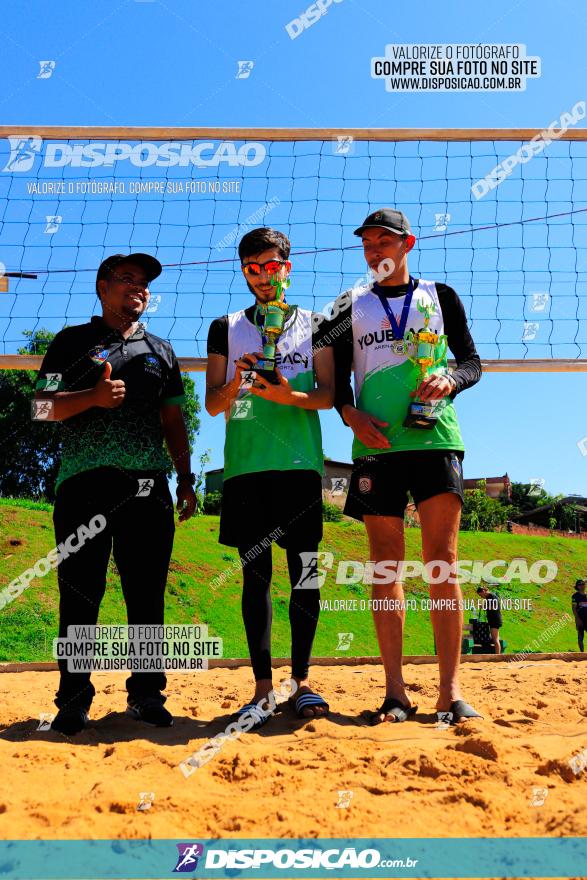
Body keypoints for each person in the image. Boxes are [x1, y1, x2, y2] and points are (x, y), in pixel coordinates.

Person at [328, 207, 482, 725]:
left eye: (384, 242)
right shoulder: (349, 305)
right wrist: (348, 413)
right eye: (367, 244)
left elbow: (472, 363)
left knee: (442, 561)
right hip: (377, 446)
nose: (375, 252)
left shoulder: (440, 295)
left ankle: (450, 690)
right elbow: (333, 380)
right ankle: (395, 691)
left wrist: (451, 381)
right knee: (385, 566)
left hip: (436, 437)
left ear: (407, 243)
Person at [34, 253, 196, 735]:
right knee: (80, 593)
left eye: (143, 283)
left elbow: (174, 421)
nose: (138, 288)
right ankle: (73, 699)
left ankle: (146, 694)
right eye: (126, 279)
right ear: (102, 287)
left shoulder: (161, 351)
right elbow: (41, 408)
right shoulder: (70, 343)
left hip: (148, 487)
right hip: (84, 484)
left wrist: (185, 479)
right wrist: (92, 399)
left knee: (146, 596)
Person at [205, 227, 334, 727]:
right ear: (243, 272)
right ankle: (261, 690)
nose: (262, 276)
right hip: (246, 466)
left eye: (271, 265)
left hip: (300, 464)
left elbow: (327, 394)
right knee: (255, 578)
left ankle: (301, 681)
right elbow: (214, 404)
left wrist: (286, 396)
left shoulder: (317, 324)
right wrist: (238, 378)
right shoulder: (226, 325)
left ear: (288, 265)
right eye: (252, 268)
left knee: (306, 573)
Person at [476, 585, 502, 654]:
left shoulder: (492, 596)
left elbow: (494, 607)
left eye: (480, 595)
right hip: (493, 620)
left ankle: (497, 656)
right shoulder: (489, 597)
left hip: (495, 620)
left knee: (495, 639)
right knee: (495, 639)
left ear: (483, 591)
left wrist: (484, 607)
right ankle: (497, 655)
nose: (481, 597)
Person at [571, 579, 587, 651]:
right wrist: (577, 619)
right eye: (580, 584)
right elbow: (574, 608)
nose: (582, 586)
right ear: (577, 586)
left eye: (583, 584)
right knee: (580, 637)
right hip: (580, 619)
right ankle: (582, 653)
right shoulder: (575, 596)